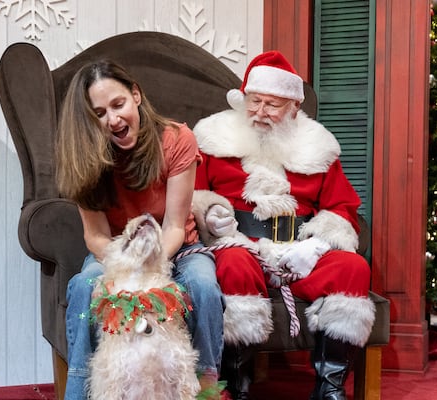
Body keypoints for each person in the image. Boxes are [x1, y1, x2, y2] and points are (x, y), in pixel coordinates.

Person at [191, 51, 376, 400]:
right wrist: (210, 214)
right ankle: (235, 386)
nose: (260, 112)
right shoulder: (213, 139)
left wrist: (316, 246)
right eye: (254, 101)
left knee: (353, 268)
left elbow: (342, 207)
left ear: (293, 108)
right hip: (239, 243)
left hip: (300, 250)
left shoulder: (318, 147)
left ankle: (329, 389)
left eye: (272, 104)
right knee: (232, 265)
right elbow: (193, 195)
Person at [54, 60, 225, 400]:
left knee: (204, 287)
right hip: (117, 251)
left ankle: (205, 390)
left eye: (118, 105)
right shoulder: (81, 158)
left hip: (177, 247)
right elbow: (96, 236)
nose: (113, 119)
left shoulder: (177, 139)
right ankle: (78, 392)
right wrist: (127, 270)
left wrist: (151, 267)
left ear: (136, 96)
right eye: (99, 113)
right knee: (84, 287)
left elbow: (175, 225)